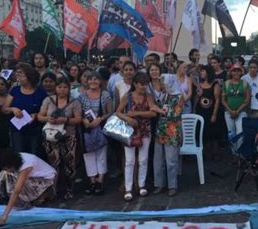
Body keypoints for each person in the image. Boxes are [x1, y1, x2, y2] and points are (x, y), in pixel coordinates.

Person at [38, 77, 82, 200]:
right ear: (55, 88)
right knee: (53, 162)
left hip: (68, 135)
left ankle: (69, 189)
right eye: (59, 87)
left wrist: (66, 120)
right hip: (51, 136)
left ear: (69, 88)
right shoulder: (48, 100)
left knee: (69, 163)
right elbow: (40, 116)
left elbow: (78, 119)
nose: (62, 90)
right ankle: (53, 189)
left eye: (65, 87)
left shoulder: (74, 102)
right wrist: (48, 119)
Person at [116, 72, 156, 201]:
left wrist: (137, 113)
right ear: (135, 84)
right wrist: (128, 118)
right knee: (129, 160)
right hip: (130, 131)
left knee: (143, 159)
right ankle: (128, 187)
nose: (144, 87)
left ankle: (141, 185)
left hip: (145, 130)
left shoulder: (149, 97)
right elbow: (118, 112)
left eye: (146, 84)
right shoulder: (127, 97)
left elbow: (153, 113)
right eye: (141, 84)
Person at [0, 151, 56, 226]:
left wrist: (5, 215)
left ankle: (45, 193)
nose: (8, 170)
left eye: (8, 168)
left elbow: (17, 191)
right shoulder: (17, 159)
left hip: (47, 179)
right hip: (34, 176)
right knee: (4, 173)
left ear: (12, 165)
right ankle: (5, 196)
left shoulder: (26, 166)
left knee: (17, 183)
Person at [3, 63, 48, 156]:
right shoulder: (14, 90)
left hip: (35, 130)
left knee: (34, 153)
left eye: (21, 73)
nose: (18, 76)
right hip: (17, 130)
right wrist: (13, 109)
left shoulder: (41, 92)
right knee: (19, 155)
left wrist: (35, 115)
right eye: (17, 73)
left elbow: (46, 111)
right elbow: (4, 109)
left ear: (29, 75)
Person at [79, 72, 112, 195]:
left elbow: (110, 112)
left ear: (100, 81)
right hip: (87, 129)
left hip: (101, 128)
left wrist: (100, 119)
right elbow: (79, 112)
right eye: (90, 79)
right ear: (87, 82)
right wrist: (85, 121)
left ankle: (100, 181)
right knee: (88, 156)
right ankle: (92, 181)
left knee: (101, 156)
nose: (93, 81)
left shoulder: (105, 95)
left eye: (95, 79)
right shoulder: (82, 96)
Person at [151, 74, 184, 197]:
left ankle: (172, 185)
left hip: (172, 132)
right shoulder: (164, 95)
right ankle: (159, 184)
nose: (161, 85)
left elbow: (175, 114)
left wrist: (159, 110)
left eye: (163, 82)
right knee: (158, 160)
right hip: (161, 131)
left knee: (171, 160)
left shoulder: (179, 97)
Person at [221, 64, 251, 153]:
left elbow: (247, 100)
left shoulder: (245, 84)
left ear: (241, 72)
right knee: (231, 133)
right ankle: (234, 153)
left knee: (240, 132)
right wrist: (230, 111)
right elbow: (223, 100)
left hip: (241, 112)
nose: (236, 73)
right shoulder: (226, 84)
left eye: (238, 71)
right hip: (228, 112)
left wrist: (237, 111)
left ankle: (240, 154)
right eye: (234, 71)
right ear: (231, 72)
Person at [194, 65, 220, 159]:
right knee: (202, 132)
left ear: (208, 72)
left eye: (203, 71)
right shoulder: (200, 84)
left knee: (212, 132)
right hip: (200, 111)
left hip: (211, 111)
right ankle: (204, 153)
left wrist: (214, 114)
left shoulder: (215, 83)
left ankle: (215, 154)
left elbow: (217, 100)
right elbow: (197, 98)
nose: (201, 73)